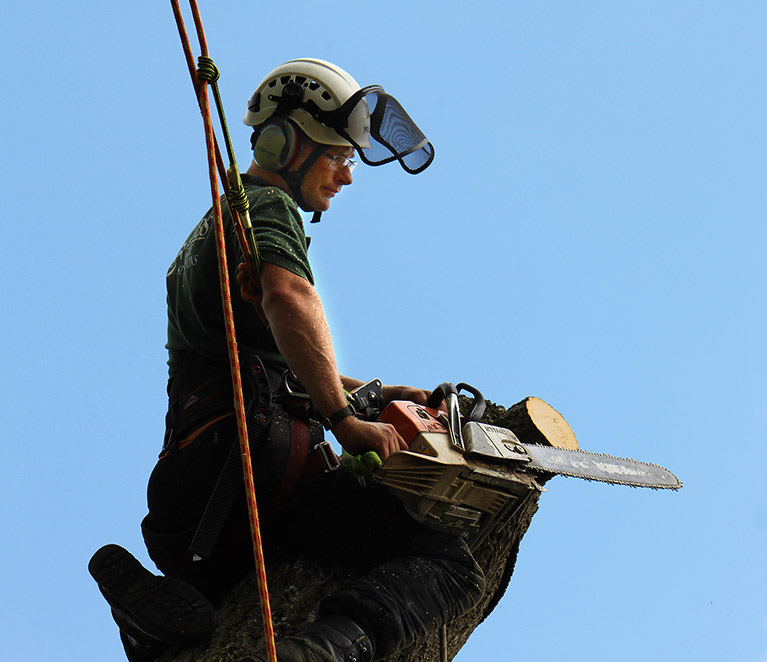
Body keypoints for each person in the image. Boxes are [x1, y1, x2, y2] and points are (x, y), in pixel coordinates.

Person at [90, 59, 485, 662]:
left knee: (209, 612)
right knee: (449, 564)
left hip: (191, 496)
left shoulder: (212, 230)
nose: (347, 177)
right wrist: (345, 420)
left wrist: (375, 394)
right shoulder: (263, 206)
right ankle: (321, 653)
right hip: (253, 461)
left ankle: (152, 630)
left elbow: (263, 357)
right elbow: (288, 296)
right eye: (339, 157)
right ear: (285, 143)